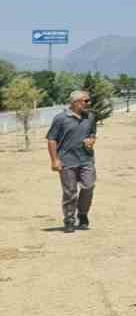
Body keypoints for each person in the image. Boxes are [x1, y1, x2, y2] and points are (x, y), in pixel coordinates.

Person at [46, 90, 98, 233]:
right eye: (86, 101)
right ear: (75, 102)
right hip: (66, 160)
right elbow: (51, 139)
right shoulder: (60, 118)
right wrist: (54, 160)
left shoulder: (91, 117)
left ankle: (82, 214)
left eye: (89, 101)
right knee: (70, 192)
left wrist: (92, 140)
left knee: (88, 186)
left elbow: (93, 133)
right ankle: (69, 219)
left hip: (86, 159)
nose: (89, 103)